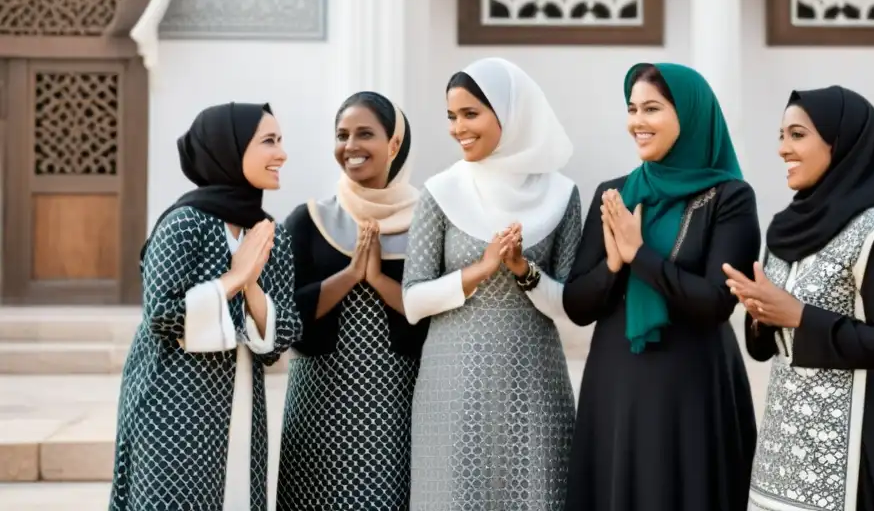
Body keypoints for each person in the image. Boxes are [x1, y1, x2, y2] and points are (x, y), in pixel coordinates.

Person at [563, 62, 761, 511]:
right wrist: (613, 265)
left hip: (693, 384)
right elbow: (577, 305)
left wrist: (640, 256)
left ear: (689, 115)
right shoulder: (613, 193)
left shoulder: (730, 198)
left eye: (651, 108)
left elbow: (715, 302)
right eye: (632, 109)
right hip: (617, 384)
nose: (637, 121)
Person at [724, 86, 874, 511]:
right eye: (781, 136)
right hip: (782, 446)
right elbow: (765, 349)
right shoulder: (784, 228)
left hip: (854, 447)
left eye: (797, 135)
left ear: (842, 143)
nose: (782, 149)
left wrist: (799, 316)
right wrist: (760, 315)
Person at [402, 57, 581, 510]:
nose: (457, 128)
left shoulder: (562, 195)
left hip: (534, 385)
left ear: (510, 114)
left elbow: (568, 305)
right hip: (453, 385)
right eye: (451, 116)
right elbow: (413, 300)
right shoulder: (441, 192)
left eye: (470, 114)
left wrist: (523, 271)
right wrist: (478, 272)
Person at [109, 102, 301, 511]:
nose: (281, 153)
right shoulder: (184, 223)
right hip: (170, 403)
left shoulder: (270, 234)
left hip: (240, 400)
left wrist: (250, 286)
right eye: (269, 141)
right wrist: (234, 277)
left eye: (281, 141)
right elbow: (162, 313)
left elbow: (282, 335)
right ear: (228, 148)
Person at [277, 91, 427, 510]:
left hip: (396, 401)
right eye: (342, 135)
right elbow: (285, 314)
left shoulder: (429, 221)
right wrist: (349, 277)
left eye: (365, 134)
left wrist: (377, 280)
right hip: (319, 401)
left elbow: (436, 312)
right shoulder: (309, 220)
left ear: (394, 143)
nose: (351, 146)